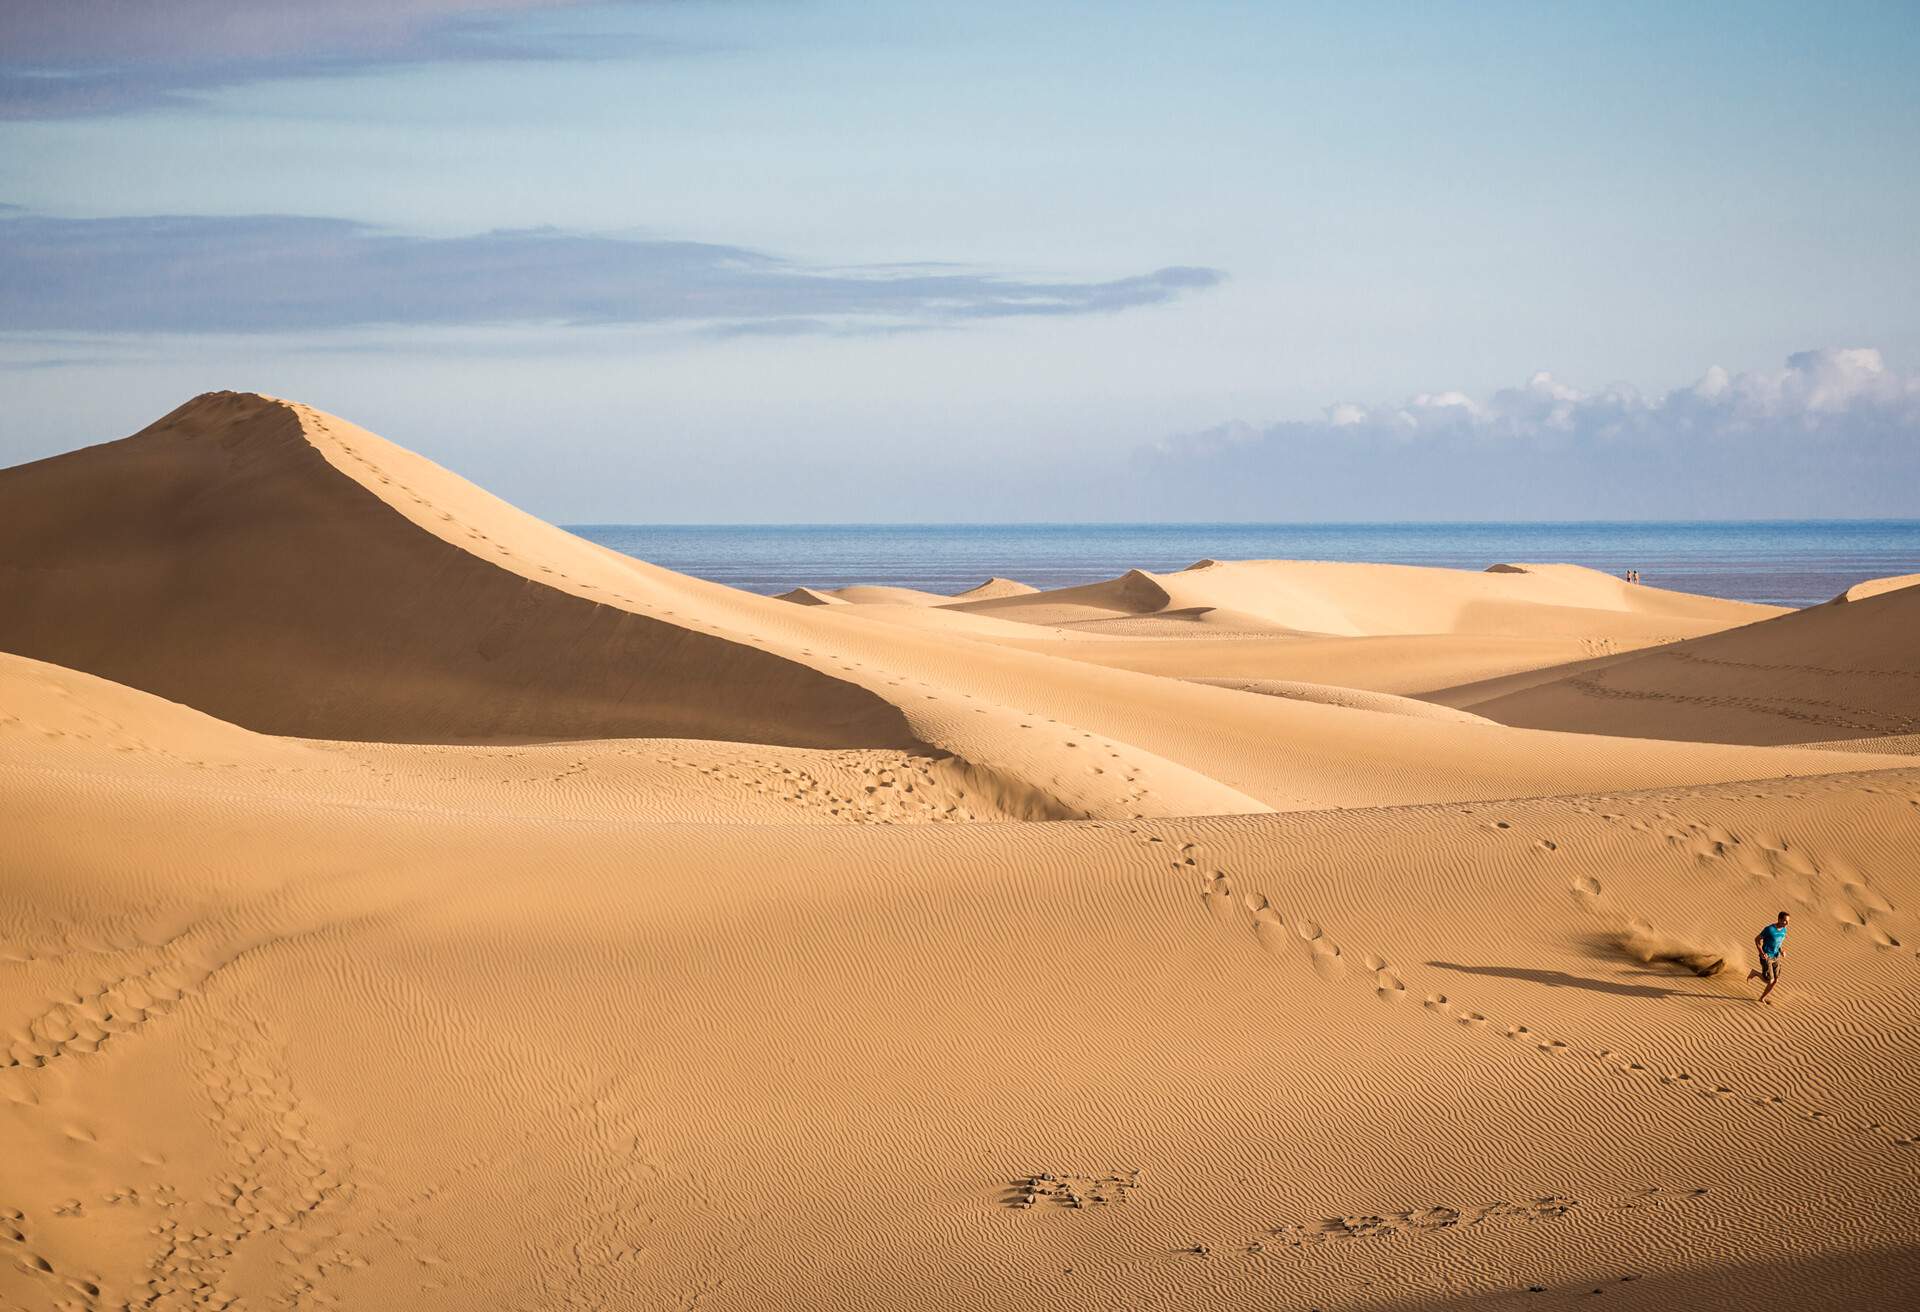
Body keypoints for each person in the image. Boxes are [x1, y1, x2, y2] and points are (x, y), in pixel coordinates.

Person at [1748, 911, 1790, 1003]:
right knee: (1770, 980)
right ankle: (1755, 973)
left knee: (1776, 980)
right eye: (1785, 921)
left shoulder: (1784, 930)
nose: (1787, 923)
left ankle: (1761, 998)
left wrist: (1781, 951)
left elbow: (1778, 943)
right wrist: (1762, 952)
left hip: (1776, 957)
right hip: (1767, 957)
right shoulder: (1769, 929)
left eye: (1788, 921)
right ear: (1779, 919)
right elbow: (1757, 939)